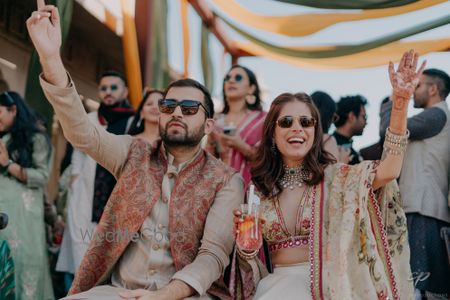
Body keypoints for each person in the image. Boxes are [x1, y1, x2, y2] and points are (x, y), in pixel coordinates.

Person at [27, 3, 243, 299]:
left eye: (189, 108)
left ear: (208, 125)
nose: (177, 112)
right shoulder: (134, 152)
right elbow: (82, 132)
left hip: (185, 295)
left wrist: (164, 295)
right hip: (118, 291)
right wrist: (51, 58)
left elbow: (213, 255)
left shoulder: (226, 180)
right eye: (168, 106)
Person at [231, 51, 424, 299]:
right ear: (272, 133)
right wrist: (246, 247)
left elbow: (389, 170)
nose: (296, 128)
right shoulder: (259, 190)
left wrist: (400, 104)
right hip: (274, 289)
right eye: (286, 122)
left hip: (331, 288)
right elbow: (252, 262)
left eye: (306, 122)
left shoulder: (336, 179)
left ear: (315, 131)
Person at [56, 70, 135, 282]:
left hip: (118, 197)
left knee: (111, 259)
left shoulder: (133, 121)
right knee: (80, 255)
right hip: (84, 195)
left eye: (113, 87)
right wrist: (73, 184)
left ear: (125, 91)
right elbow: (75, 158)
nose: (108, 92)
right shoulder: (89, 119)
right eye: (104, 88)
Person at [380, 68, 450, 299]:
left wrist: (396, 98)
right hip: (424, 210)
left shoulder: (435, 115)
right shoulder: (437, 116)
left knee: (417, 288)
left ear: (433, 89)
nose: (413, 91)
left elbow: (389, 132)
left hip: (423, 210)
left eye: (418, 86)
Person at [0, 91, 54, 299]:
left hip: (24, 215)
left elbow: (42, 176)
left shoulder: (37, 139)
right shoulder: (3, 137)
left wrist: (8, 164)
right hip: (3, 209)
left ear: (13, 110)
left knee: (23, 262)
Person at [206, 65, 266, 189]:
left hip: (253, 190)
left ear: (251, 88)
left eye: (238, 77)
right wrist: (219, 148)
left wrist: (241, 145)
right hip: (221, 190)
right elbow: (206, 163)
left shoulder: (262, 120)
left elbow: (269, 160)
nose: (231, 81)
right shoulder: (216, 123)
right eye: (227, 78)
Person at [311, 91, 348, 163]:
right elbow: (333, 172)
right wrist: (343, 162)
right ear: (327, 116)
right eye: (333, 117)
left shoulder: (301, 139)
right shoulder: (328, 140)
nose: (333, 122)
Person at [332, 94, 368, 165]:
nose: (366, 122)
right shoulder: (329, 148)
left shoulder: (328, 143)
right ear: (351, 116)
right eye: (364, 117)